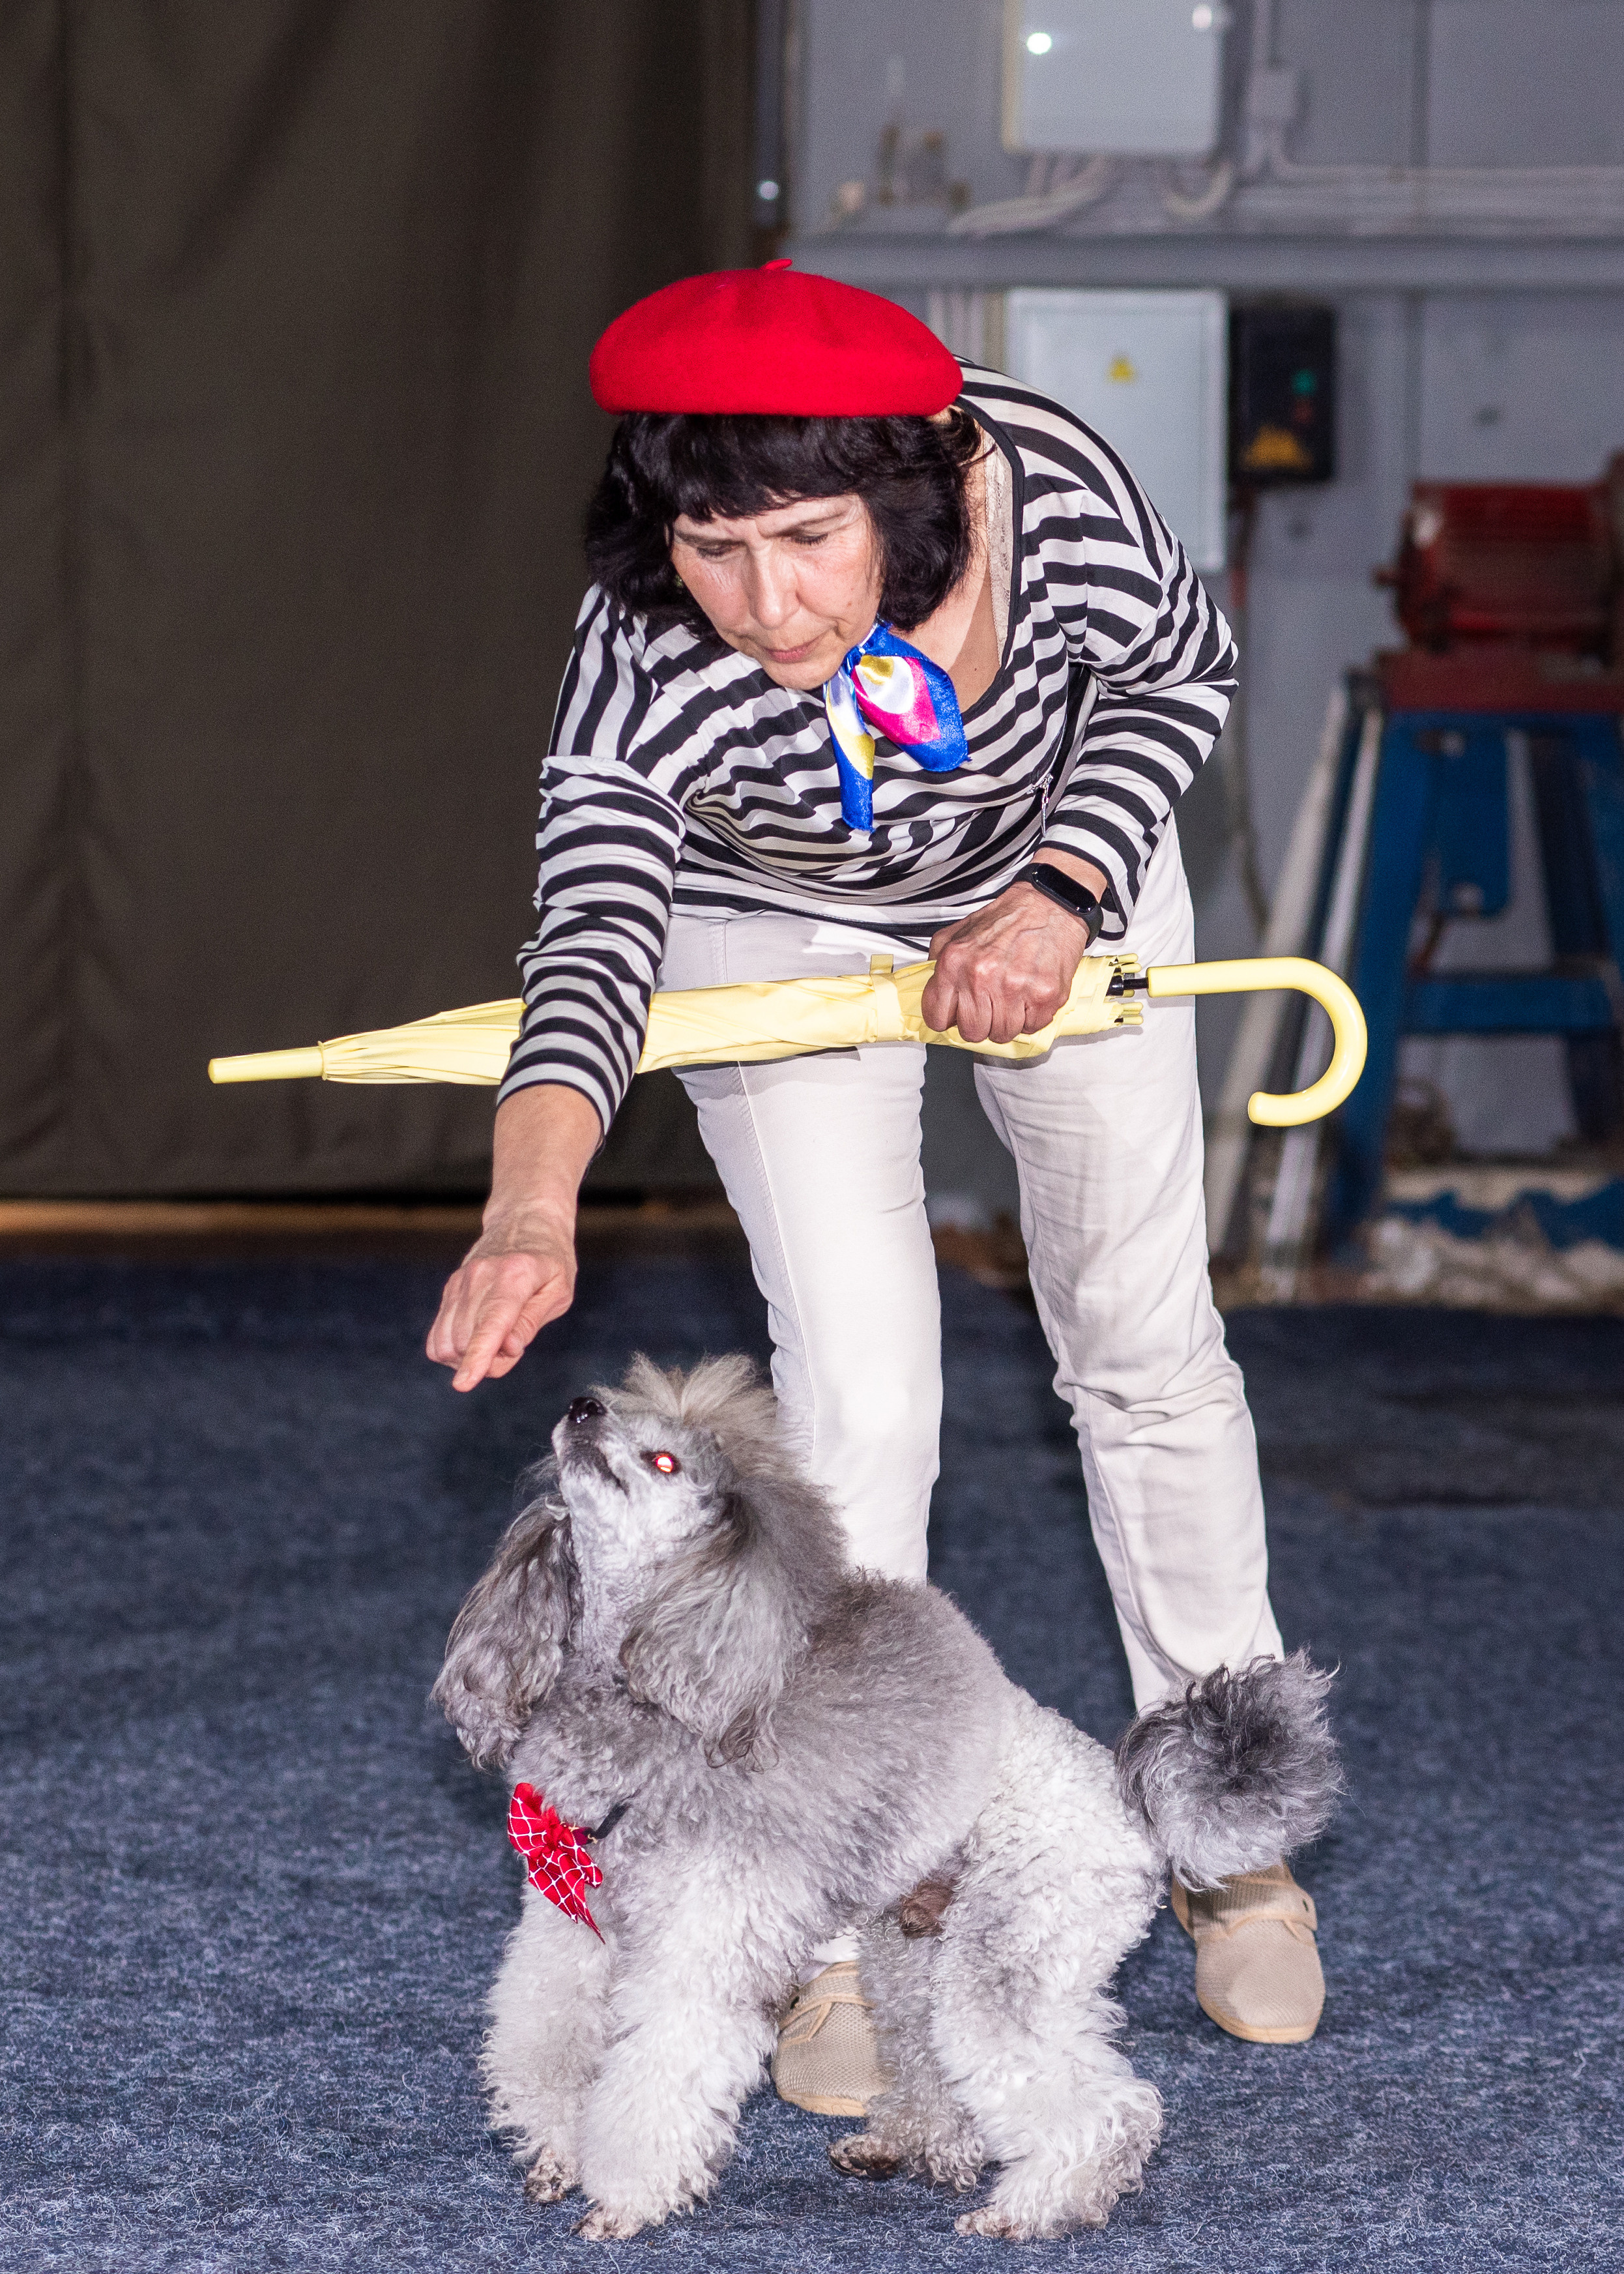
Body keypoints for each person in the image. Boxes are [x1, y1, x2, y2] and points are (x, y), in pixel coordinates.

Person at [427, 263, 1326, 2107]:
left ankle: (1229, 1827)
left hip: (1061, 882)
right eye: (712, 545)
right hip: (772, 926)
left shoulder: (1049, 489)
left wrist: (1064, 884)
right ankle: (835, 1906)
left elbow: (1179, 665)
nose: (768, 604)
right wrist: (531, 1207)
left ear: (919, 488)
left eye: (813, 540)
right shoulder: (649, 650)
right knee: (855, 1403)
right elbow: (592, 938)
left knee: (1141, 1347)